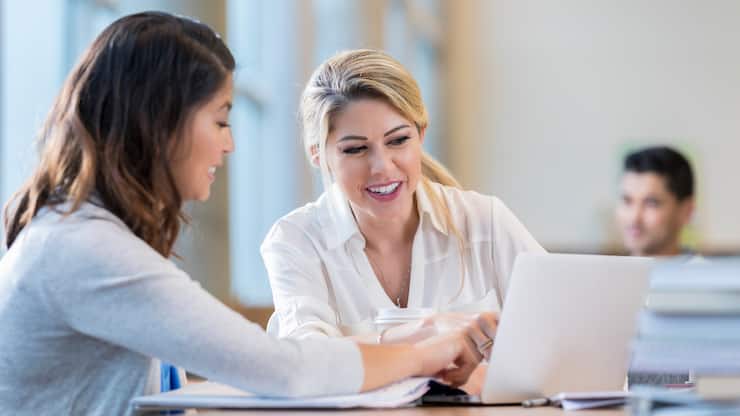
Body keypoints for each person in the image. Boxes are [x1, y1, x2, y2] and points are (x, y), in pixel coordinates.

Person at [0, 13, 486, 415]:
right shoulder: (87, 250)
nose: (229, 143)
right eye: (220, 119)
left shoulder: (86, 235)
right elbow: (286, 370)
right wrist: (426, 354)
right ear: (162, 123)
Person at [261, 49, 544, 387]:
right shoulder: (296, 240)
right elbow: (304, 359)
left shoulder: (486, 222)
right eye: (355, 149)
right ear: (319, 156)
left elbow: (563, 330)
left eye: (398, 140)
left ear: (421, 136)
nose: (382, 166)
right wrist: (426, 332)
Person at [616, 146, 695, 257]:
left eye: (651, 203)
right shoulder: (606, 273)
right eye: (627, 201)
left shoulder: (707, 274)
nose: (634, 218)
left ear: (686, 211)